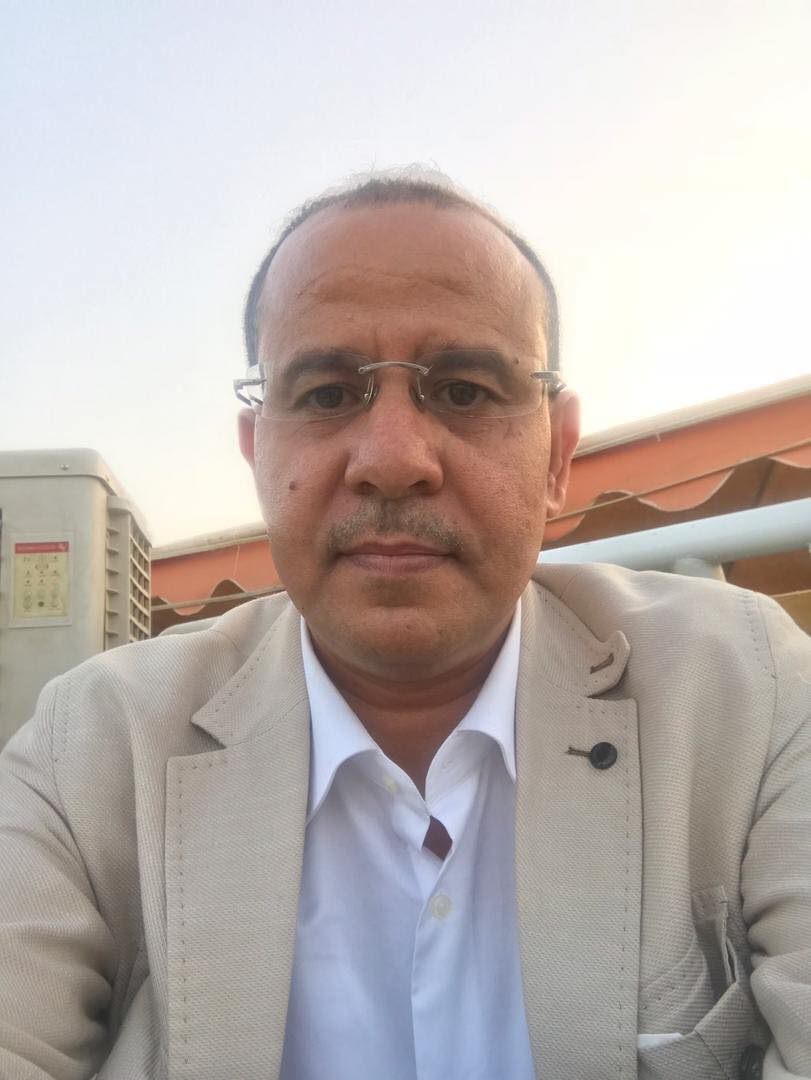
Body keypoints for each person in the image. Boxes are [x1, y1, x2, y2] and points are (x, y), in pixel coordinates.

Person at [0, 173, 809, 1080]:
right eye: (325, 394)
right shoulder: (94, 749)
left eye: (463, 391)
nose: (391, 460)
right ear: (258, 451)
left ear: (556, 453)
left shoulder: (750, 692)